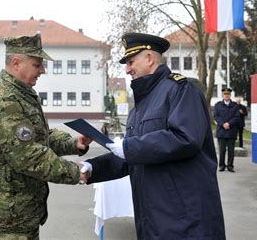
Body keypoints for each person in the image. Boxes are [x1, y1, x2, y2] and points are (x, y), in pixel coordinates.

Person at [80, 33, 225, 239]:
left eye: (131, 61)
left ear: (149, 58)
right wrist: (93, 167)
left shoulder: (182, 90)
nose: (127, 69)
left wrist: (130, 148)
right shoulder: (140, 106)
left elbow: (185, 138)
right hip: (153, 216)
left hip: (184, 218)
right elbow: (132, 157)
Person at [0, 33, 90, 239]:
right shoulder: (3, 101)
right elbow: (27, 155)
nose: (43, 71)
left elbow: (37, 137)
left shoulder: (20, 94)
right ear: (16, 62)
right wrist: (74, 172)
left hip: (19, 210)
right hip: (5, 214)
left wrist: (73, 144)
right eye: (37, 65)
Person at [214, 88, 241, 173]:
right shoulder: (218, 105)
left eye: (228, 94)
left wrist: (229, 124)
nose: (226, 96)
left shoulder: (235, 106)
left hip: (231, 131)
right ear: (223, 95)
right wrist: (223, 124)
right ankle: (221, 165)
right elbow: (216, 116)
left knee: (231, 151)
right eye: (225, 94)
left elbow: (237, 117)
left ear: (230, 95)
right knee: (221, 151)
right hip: (221, 131)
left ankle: (230, 166)